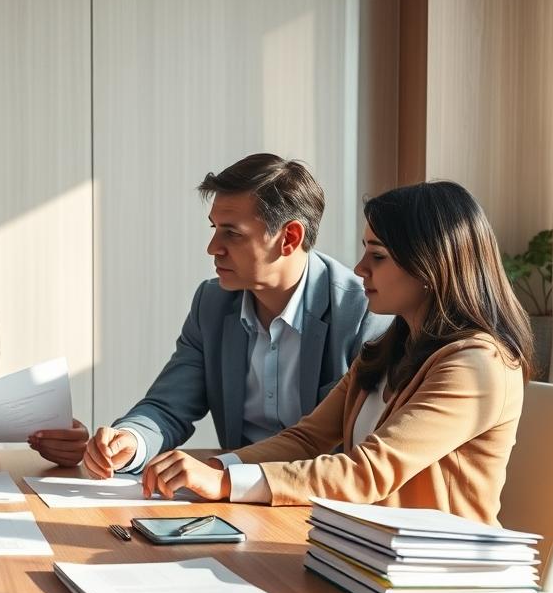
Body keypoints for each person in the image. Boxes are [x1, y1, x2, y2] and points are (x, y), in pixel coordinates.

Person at [142, 181, 532, 525]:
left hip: (444, 576)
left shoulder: (479, 365)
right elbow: (305, 439)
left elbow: (370, 471)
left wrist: (226, 482)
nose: (360, 268)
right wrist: (214, 468)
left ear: (429, 267)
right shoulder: (387, 350)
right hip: (366, 553)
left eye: (377, 256)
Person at [70, 153, 391, 475]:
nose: (213, 247)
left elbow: (361, 453)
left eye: (232, 233)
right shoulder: (212, 302)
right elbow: (168, 406)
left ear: (289, 238)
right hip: (232, 492)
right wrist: (131, 439)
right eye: (214, 228)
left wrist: (221, 472)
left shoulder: (363, 312)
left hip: (314, 499)